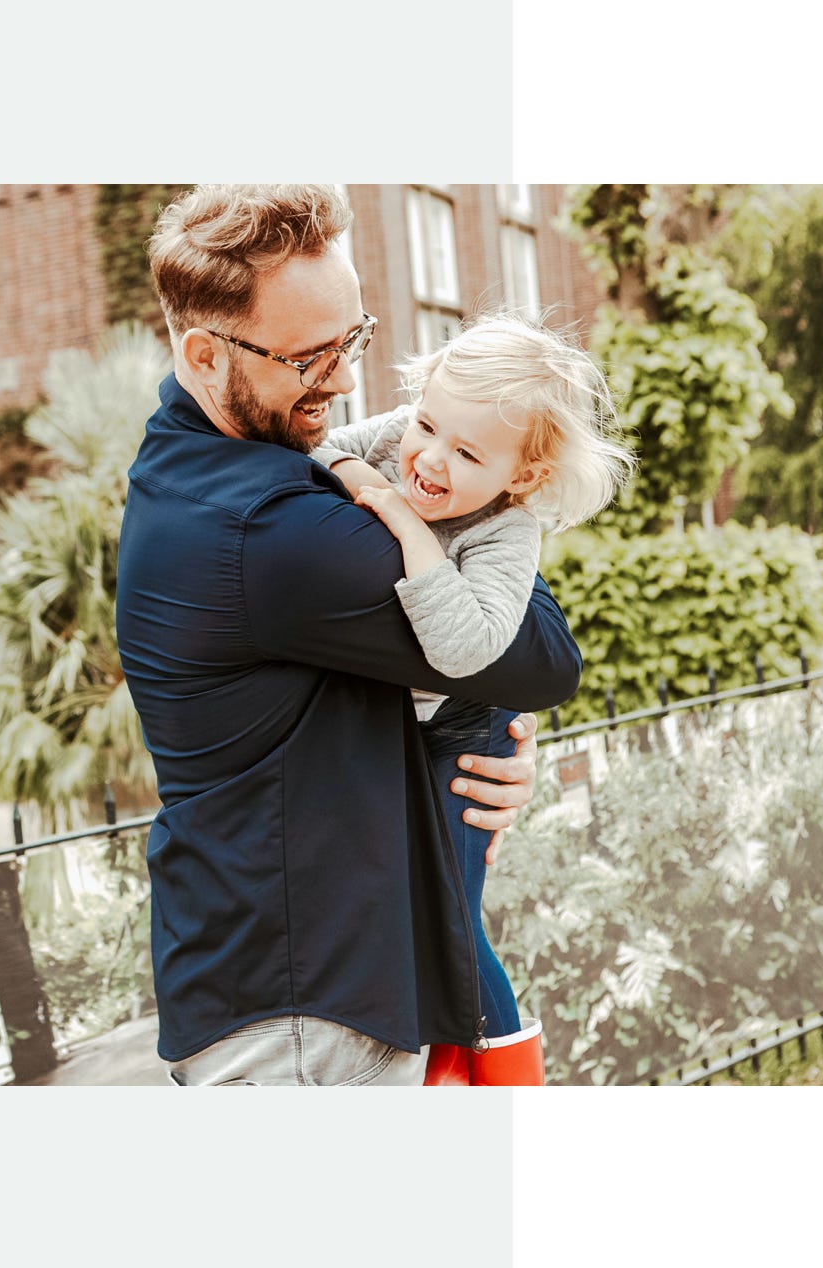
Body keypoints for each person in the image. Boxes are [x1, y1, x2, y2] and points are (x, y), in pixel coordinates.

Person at [115, 184, 582, 1086]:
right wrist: (494, 703)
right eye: (310, 355)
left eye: (353, 338)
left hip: (286, 986)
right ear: (204, 356)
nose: (343, 377)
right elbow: (539, 656)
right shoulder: (268, 527)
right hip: (303, 1021)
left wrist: (487, 739)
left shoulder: (190, 463)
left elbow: (496, 649)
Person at [310, 311, 635, 1084]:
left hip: (465, 730)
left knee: (448, 914)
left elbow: (465, 647)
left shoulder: (508, 530)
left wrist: (395, 515)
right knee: (401, 905)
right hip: (400, 722)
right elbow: (311, 450)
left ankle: (504, 1073)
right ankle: (440, 1064)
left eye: (466, 453)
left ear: (520, 478)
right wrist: (362, 472)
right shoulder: (406, 435)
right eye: (427, 425)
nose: (427, 459)